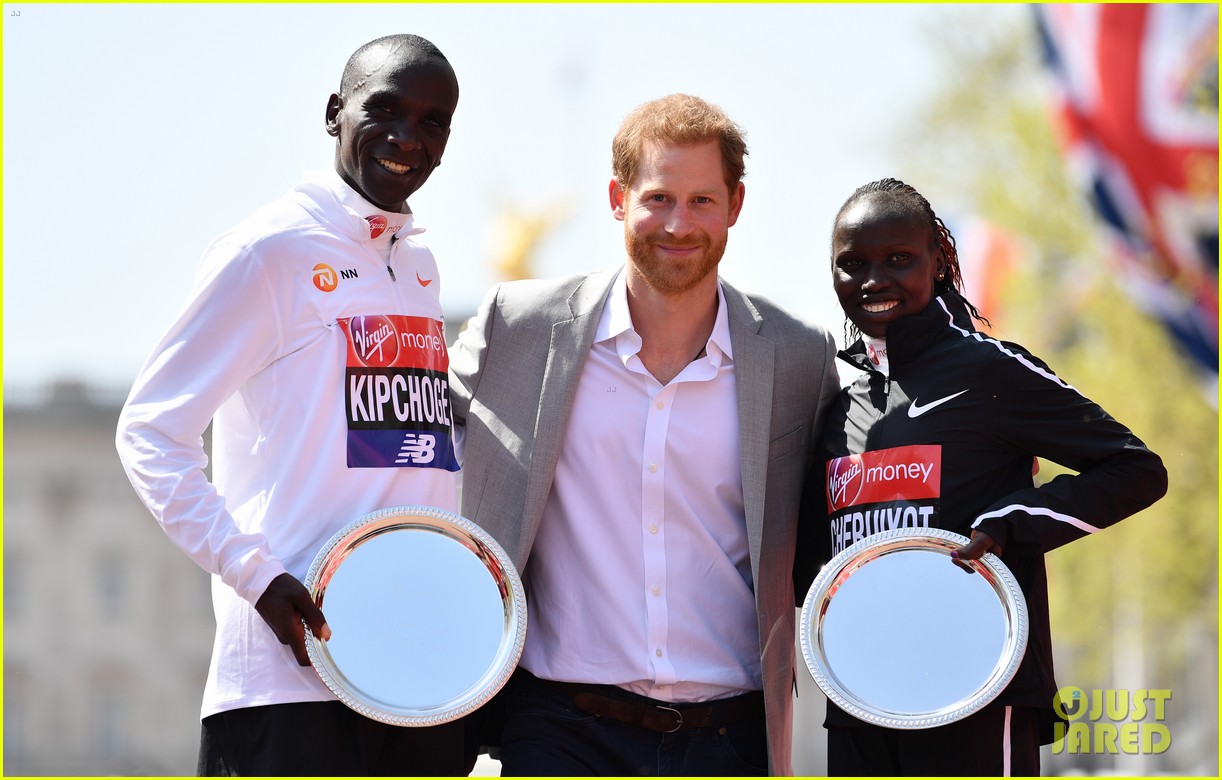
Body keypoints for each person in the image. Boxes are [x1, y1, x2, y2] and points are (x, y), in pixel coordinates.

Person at [448, 93, 840, 776]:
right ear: (617, 197)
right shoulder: (520, 327)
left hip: (732, 735)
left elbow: (834, 503)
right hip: (560, 726)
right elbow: (419, 438)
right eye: (658, 197)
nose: (678, 224)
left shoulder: (798, 356)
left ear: (736, 206)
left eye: (702, 201)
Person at [115, 35, 468, 776]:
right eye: (386, 110)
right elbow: (150, 431)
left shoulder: (419, 264)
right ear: (336, 112)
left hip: (414, 678)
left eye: (434, 122)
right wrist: (257, 577)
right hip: (286, 689)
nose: (409, 138)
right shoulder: (267, 250)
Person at [795, 177, 1168, 776]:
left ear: (939, 261)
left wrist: (1012, 521)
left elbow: (1136, 470)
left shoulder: (990, 368)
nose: (873, 280)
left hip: (976, 685)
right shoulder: (840, 403)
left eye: (897, 259)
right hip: (860, 695)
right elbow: (812, 552)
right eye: (852, 264)